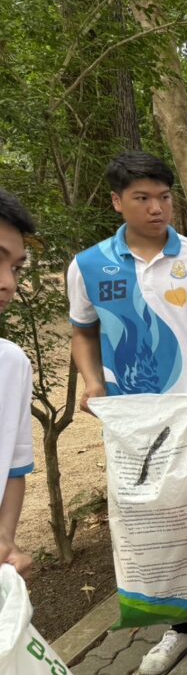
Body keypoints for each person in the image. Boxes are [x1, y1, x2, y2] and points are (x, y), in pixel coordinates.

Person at [67, 151, 187, 674]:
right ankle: (181, 626)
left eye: (164, 197)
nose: (156, 208)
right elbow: (84, 334)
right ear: (116, 202)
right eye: (142, 198)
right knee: (154, 523)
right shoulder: (88, 265)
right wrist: (93, 382)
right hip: (134, 425)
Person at [0, 189, 36, 576]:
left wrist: (6, 539)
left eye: (16, 267)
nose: (7, 283)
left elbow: (12, 468)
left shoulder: (10, 365)